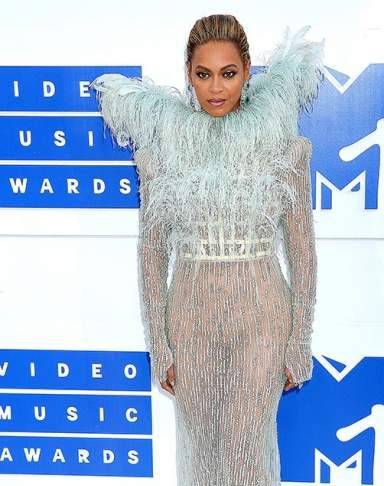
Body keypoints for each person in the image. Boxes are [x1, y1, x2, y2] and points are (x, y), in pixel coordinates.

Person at [90, 13, 325, 486]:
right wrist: (159, 344)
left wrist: (299, 342)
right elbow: (152, 255)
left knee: (246, 453)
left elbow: (302, 252)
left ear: (248, 71)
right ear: (188, 75)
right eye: (203, 74)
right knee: (200, 453)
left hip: (262, 319)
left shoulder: (281, 148)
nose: (216, 88)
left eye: (228, 73)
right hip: (190, 320)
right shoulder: (165, 152)